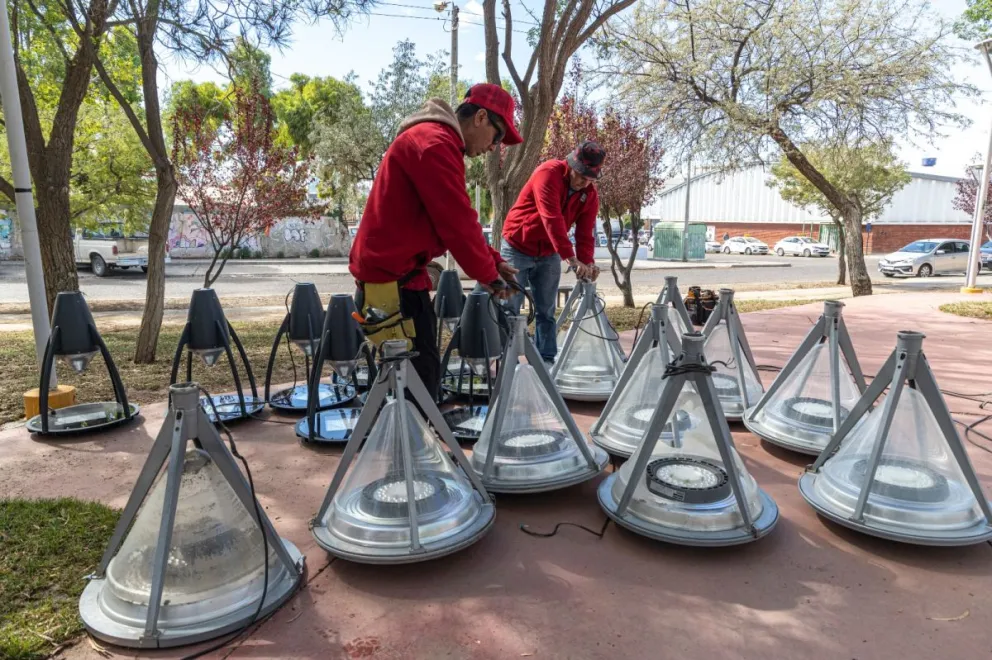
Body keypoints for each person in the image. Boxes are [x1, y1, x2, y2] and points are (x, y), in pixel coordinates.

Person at [349, 84, 521, 400]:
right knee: (418, 386)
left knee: (408, 381)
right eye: (497, 137)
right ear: (481, 117)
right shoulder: (435, 145)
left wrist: (493, 261)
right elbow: (457, 224)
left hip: (396, 281)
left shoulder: (433, 141)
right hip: (393, 286)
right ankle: (409, 447)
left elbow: (457, 219)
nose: (494, 147)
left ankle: (400, 443)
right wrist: (490, 276)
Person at [500, 140, 606, 363]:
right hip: (517, 245)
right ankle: (504, 360)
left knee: (546, 309)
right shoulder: (548, 173)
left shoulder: (590, 195)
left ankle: (545, 362)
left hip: (548, 252)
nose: (583, 182)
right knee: (510, 307)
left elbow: (585, 233)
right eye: (580, 174)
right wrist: (571, 258)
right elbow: (551, 219)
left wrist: (587, 263)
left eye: (589, 179)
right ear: (570, 165)